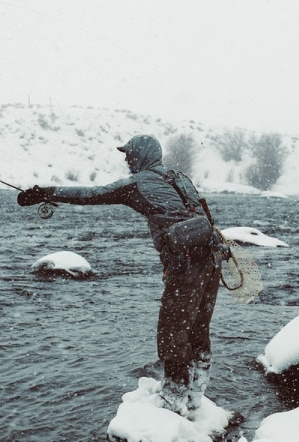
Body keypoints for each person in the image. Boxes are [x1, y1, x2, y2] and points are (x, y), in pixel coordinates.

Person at [17, 134, 223, 419]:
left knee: (172, 330)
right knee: (198, 329)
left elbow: (91, 195)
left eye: (129, 155)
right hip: (212, 258)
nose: (127, 160)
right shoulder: (180, 177)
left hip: (185, 262)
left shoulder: (136, 183)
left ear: (141, 155)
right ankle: (196, 396)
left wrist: (45, 192)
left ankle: (173, 397)